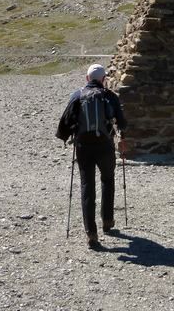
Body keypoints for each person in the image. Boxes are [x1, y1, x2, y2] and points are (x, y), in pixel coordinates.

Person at [56, 63, 128, 249]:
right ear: (103, 79)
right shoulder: (110, 96)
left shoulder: (77, 95)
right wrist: (123, 137)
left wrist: (67, 136)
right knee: (108, 180)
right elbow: (122, 122)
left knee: (87, 185)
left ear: (87, 78)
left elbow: (64, 123)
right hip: (105, 145)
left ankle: (91, 232)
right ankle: (108, 220)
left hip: (83, 146)